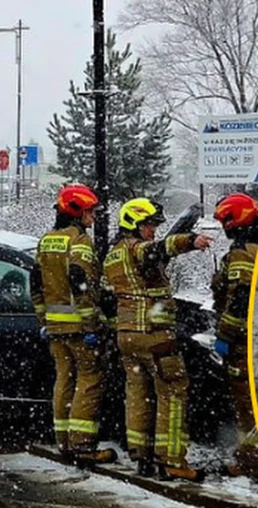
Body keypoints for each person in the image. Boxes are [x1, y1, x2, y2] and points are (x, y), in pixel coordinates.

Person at [103, 197, 213, 481]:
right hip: (153, 334)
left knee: (137, 393)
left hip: (127, 336)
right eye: (148, 225)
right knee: (174, 390)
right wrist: (190, 241)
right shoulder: (137, 248)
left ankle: (142, 455)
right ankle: (172, 459)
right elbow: (158, 249)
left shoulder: (112, 254)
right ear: (133, 224)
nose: (152, 230)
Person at [31, 184, 113, 467]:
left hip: (55, 329)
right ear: (77, 213)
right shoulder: (79, 242)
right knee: (89, 381)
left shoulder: (46, 241)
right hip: (79, 328)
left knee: (64, 380)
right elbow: (80, 283)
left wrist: (44, 319)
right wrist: (91, 324)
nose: (93, 217)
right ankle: (83, 445)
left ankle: (64, 442)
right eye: (90, 211)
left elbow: (36, 283)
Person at [211, 193, 258, 478]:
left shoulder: (242, 253)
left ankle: (253, 462)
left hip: (242, 342)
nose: (224, 228)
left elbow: (239, 301)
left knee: (247, 405)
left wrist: (224, 334)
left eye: (225, 222)